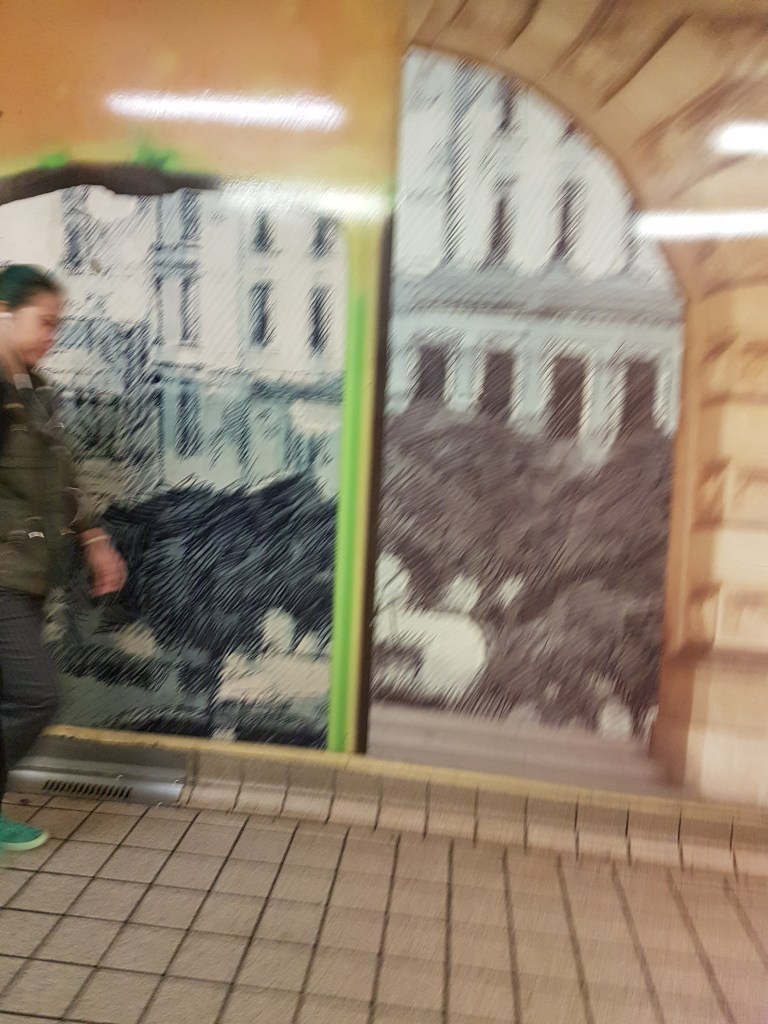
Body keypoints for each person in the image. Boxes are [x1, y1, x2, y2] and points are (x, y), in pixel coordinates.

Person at [0, 264, 126, 853]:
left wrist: (94, 538)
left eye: (58, 324)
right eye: (44, 322)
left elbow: (62, 474)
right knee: (35, 695)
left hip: (28, 570)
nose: (52, 335)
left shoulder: (36, 389)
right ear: (4, 313)